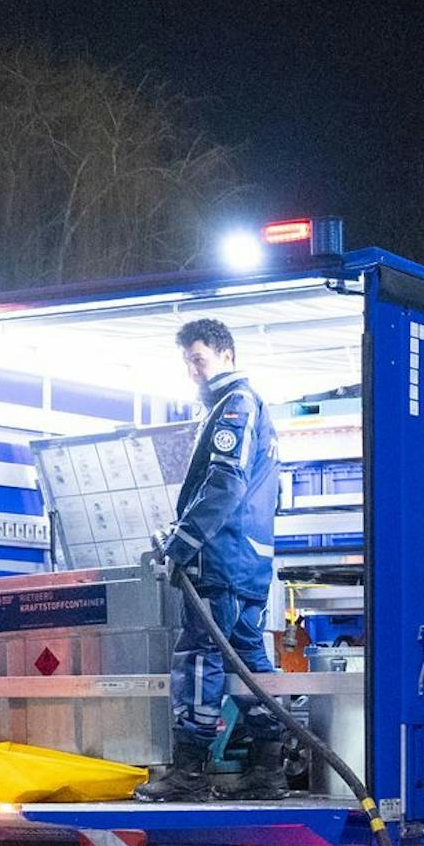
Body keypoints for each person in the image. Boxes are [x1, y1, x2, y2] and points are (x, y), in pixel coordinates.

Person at [136, 317, 291, 802]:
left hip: (221, 563)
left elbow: (225, 484)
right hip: (246, 562)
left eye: (198, 360)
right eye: (187, 362)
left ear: (226, 354)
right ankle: (269, 767)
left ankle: (189, 772)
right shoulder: (245, 408)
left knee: (200, 657)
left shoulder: (235, 406)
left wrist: (181, 543)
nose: (193, 371)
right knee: (248, 660)